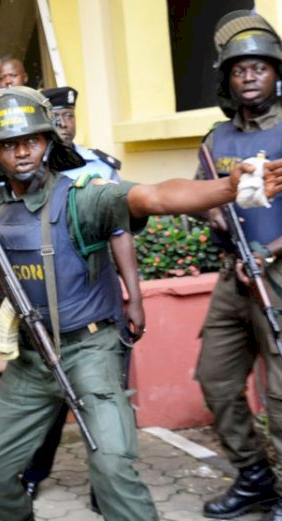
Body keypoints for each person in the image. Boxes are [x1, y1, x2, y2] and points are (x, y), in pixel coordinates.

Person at [0, 86, 282, 521]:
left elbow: (156, 197)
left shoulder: (84, 195)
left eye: (30, 140)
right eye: (8, 145)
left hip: (89, 351)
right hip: (32, 360)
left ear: (49, 143)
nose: (21, 153)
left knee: (111, 466)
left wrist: (227, 187)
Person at [2, 86, 144, 506]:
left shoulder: (97, 166)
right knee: (48, 407)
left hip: (92, 306)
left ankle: (107, 488)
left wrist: (132, 295)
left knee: (104, 406)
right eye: (56, 117)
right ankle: (35, 470)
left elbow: (119, 231)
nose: (64, 123)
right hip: (45, 310)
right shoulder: (18, 172)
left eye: (68, 116)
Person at [193, 11, 282, 521]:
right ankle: (254, 477)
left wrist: (269, 252)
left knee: (281, 393)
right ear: (228, 78)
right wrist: (212, 208)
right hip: (233, 277)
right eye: (239, 69)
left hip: (276, 274)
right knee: (216, 379)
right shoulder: (216, 139)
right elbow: (202, 192)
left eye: (260, 68)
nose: (249, 77)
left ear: (276, 73)